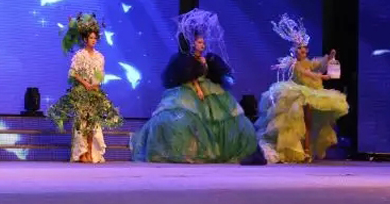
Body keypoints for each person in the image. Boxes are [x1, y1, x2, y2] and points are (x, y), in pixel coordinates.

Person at [131, 9, 264, 164]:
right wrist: (198, 89)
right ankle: (185, 150)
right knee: (184, 117)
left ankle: (215, 150)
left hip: (209, 90)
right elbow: (191, 75)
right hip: (191, 89)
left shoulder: (208, 59)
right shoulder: (188, 59)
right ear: (193, 43)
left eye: (203, 42)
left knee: (222, 118)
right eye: (200, 42)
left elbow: (214, 74)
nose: (202, 45)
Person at [256, 14, 349, 163]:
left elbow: (318, 64)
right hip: (297, 92)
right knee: (298, 122)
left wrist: (329, 58)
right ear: (294, 50)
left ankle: (308, 149)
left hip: (310, 93)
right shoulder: (294, 63)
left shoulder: (309, 62)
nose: (303, 50)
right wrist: (321, 76)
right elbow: (306, 73)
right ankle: (301, 149)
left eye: (304, 48)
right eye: (299, 48)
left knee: (310, 121)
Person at [48, 13, 123, 163]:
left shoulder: (100, 56)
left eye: (95, 38)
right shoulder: (80, 55)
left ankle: (92, 153)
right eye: (91, 38)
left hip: (94, 91)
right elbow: (73, 73)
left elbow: (100, 74)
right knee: (82, 122)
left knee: (93, 122)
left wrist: (95, 85)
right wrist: (85, 84)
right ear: (85, 39)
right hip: (82, 91)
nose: (93, 40)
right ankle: (82, 153)